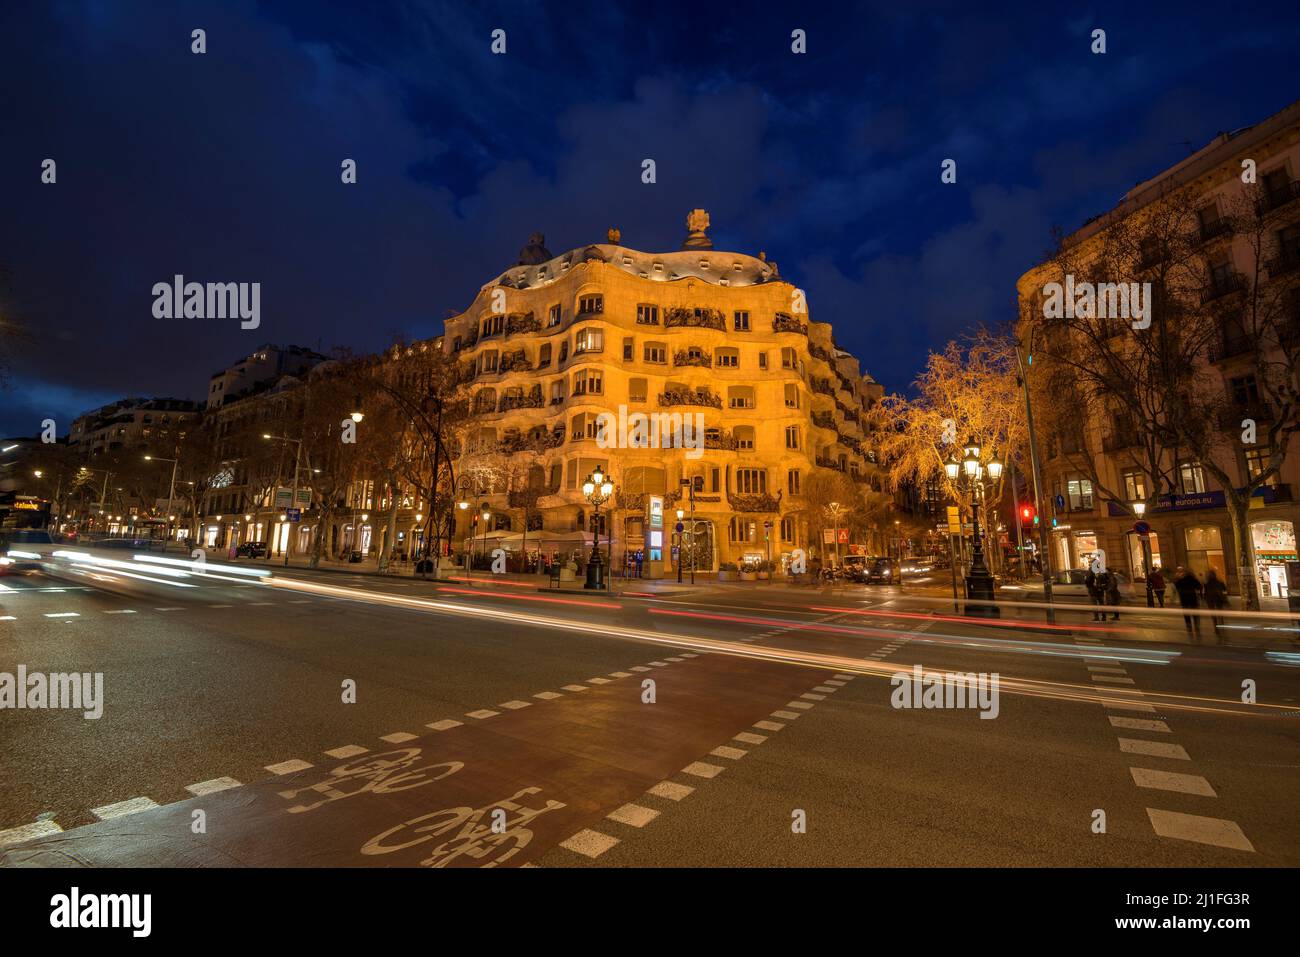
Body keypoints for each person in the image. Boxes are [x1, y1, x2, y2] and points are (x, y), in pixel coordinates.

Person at [1173, 566, 1203, 638]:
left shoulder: (1180, 580)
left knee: (1186, 613)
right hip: (1192, 598)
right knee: (1195, 613)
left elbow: (1176, 586)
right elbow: (1199, 586)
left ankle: (1189, 626)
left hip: (1184, 598)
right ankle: (1196, 625)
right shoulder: (1192, 579)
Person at [1204, 569, 1228, 637]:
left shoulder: (1206, 583)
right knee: (1219, 612)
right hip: (1218, 599)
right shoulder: (1219, 582)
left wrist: (1205, 599)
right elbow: (1224, 589)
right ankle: (1221, 623)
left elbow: (1205, 593)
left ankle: (1215, 626)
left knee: (1213, 614)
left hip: (1210, 600)